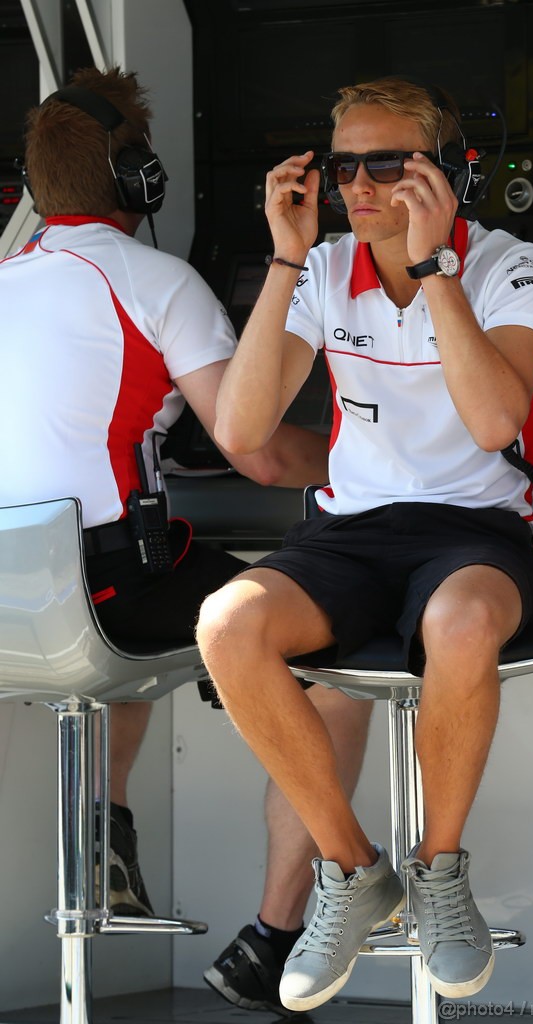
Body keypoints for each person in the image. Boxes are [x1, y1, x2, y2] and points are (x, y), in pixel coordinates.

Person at [0, 65, 373, 1001]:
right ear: (143, 182)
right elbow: (262, 455)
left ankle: (107, 825)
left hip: (22, 604)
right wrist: (374, 448)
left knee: (138, 622)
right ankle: (274, 940)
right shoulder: (155, 278)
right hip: (99, 590)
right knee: (335, 664)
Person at [196, 76, 533, 1013]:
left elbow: (491, 424)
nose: (358, 185)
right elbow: (241, 430)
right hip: (351, 533)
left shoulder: (508, 263)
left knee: (464, 618)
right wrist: (282, 262)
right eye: (342, 165)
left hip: (476, 526)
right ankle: (352, 871)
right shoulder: (318, 269)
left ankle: (438, 872)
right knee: (226, 623)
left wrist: (436, 267)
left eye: (387, 163)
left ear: (443, 176)